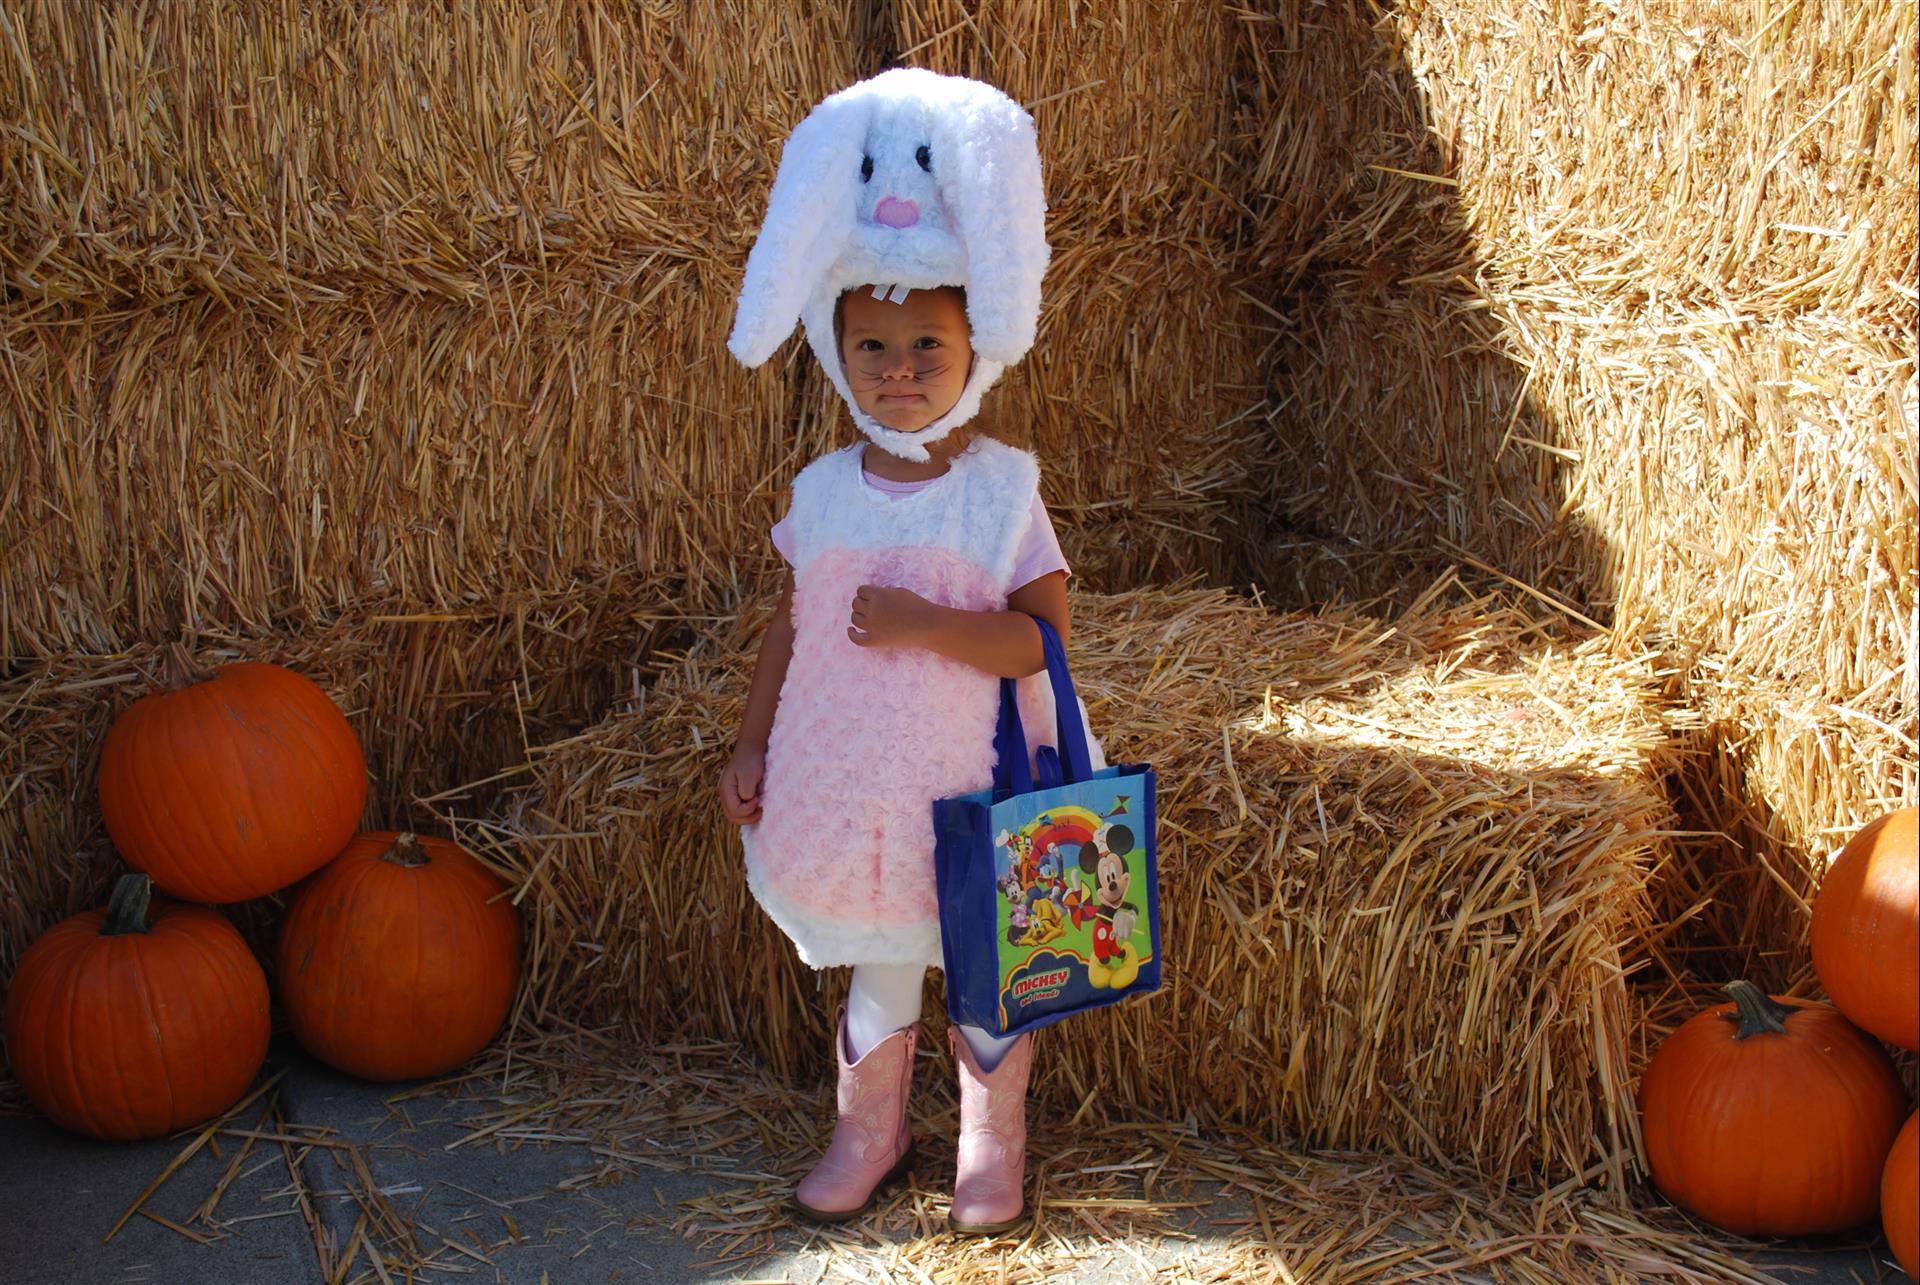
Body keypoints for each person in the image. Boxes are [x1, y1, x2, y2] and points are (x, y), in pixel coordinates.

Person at [717, 69, 1096, 1234]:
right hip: (855, 783)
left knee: (986, 974)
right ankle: (868, 1128)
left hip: (973, 783)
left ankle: (992, 1143)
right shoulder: (825, 493)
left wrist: (930, 626)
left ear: (974, 345)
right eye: (870, 343)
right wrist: (750, 743)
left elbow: (1041, 640)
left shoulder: (999, 497)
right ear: (835, 356)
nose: (899, 366)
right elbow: (792, 621)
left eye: (926, 341)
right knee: (883, 969)